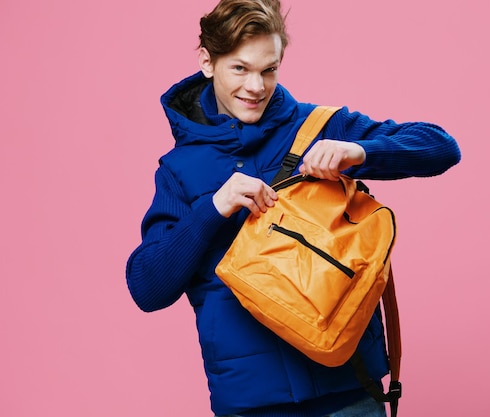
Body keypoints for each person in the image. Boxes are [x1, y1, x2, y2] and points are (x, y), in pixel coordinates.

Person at [126, 0, 461, 416]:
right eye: (240, 69)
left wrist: (359, 150)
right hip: (255, 405)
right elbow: (146, 287)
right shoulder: (178, 171)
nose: (256, 87)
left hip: (350, 393)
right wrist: (213, 208)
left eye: (269, 69)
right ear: (207, 62)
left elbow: (442, 147)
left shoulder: (319, 126)